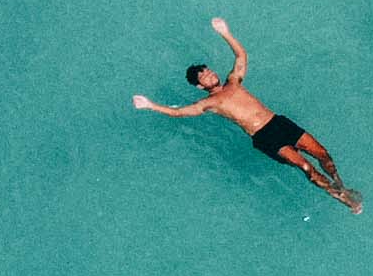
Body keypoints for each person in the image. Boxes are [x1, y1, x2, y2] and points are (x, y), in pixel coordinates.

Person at [132, 17, 361, 210]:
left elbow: (241, 56)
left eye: (209, 71)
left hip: (278, 123)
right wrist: (150, 105)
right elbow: (179, 113)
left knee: (322, 153)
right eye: (205, 77)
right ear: (201, 86)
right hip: (264, 136)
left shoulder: (233, 81)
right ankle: (342, 198)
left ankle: (340, 184)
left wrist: (225, 33)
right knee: (306, 167)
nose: (210, 75)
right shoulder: (209, 103)